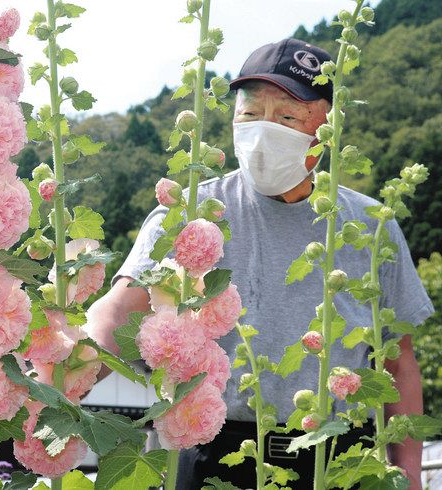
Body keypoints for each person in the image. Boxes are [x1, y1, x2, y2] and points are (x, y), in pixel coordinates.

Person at [86, 38, 434, 489]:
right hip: (213, 454)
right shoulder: (194, 212)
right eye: (250, 115)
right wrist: (73, 356)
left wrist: (407, 475)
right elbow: (119, 311)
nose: (265, 130)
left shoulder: (369, 227)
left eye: (287, 116)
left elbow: (399, 362)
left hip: (336, 460)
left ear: (327, 128)